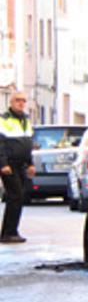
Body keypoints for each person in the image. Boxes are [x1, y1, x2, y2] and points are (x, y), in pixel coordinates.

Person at [0, 91, 36, 243]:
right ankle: (8, 232)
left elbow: (28, 144)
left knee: (19, 196)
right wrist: (3, 164)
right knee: (16, 196)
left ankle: (11, 231)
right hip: (9, 164)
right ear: (11, 102)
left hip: (21, 164)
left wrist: (31, 164)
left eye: (23, 100)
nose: (20, 103)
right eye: (17, 100)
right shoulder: (4, 120)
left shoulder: (26, 120)